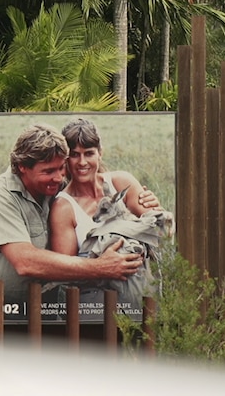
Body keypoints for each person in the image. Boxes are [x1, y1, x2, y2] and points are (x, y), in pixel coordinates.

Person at [0, 124, 150, 321]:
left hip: (39, 316)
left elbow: (93, 183)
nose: (58, 177)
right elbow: (25, 262)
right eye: (48, 171)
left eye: (61, 168)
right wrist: (100, 267)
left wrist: (145, 200)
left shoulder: (54, 189)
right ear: (22, 167)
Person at [48, 118, 173, 314]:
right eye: (74, 155)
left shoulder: (121, 182)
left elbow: (162, 230)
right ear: (65, 159)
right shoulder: (63, 207)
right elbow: (65, 270)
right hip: (96, 303)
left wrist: (157, 210)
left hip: (141, 293)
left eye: (89, 153)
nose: (82, 162)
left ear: (100, 153)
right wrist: (102, 266)